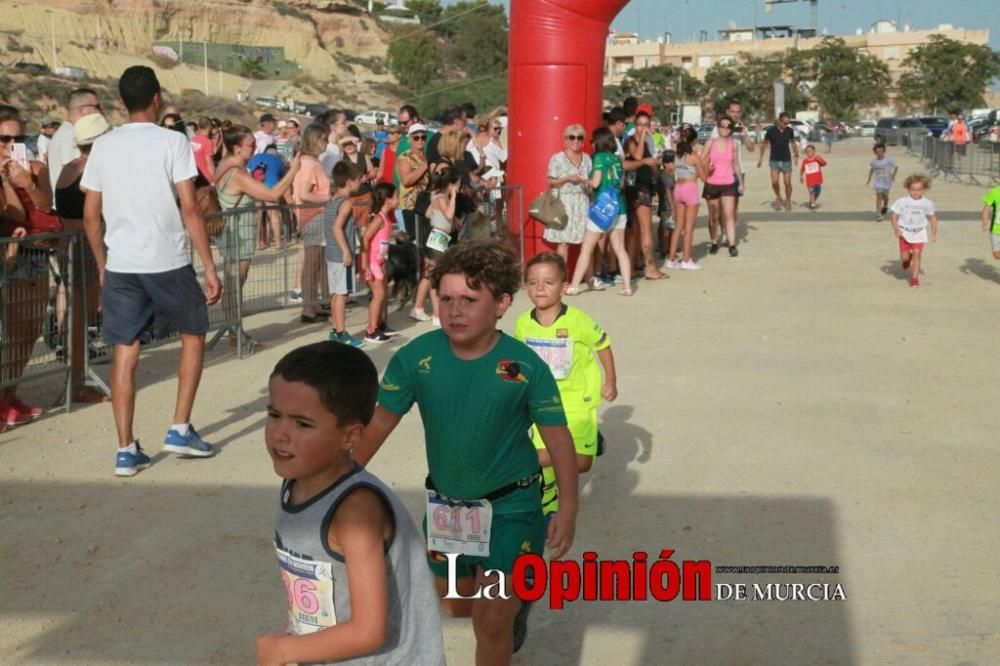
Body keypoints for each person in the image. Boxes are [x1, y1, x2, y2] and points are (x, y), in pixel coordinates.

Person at [354, 240, 579, 662]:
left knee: (490, 622)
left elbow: (559, 440)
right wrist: (340, 481)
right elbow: (380, 421)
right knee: (455, 604)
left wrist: (568, 507)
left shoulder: (526, 367)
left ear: (502, 303)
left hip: (512, 510)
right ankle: (512, 602)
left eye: (470, 300)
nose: (455, 311)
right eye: (447, 299)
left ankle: (506, 610)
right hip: (448, 510)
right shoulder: (416, 358)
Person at [255, 341, 445, 666]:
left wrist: (285, 650)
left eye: (302, 423)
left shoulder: (355, 513)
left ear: (350, 437)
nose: (280, 434)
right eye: (275, 415)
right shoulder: (297, 479)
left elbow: (368, 631)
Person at [80, 66, 222, 476]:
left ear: (121, 101)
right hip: (168, 259)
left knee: (125, 352)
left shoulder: (103, 146)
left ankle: (125, 450)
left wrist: (103, 265)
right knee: (193, 334)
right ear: (156, 98)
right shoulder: (171, 141)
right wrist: (209, 266)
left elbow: (91, 216)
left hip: (122, 263)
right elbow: (190, 206)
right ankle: (179, 427)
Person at [516, 252, 618, 518]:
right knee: (540, 457)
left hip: (577, 402)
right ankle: (549, 501)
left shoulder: (577, 321)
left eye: (548, 282)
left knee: (581, 464)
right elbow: (520, 359)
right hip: (541, 403)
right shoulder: (523, 323)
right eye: (533, 282)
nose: (540, 288)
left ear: (563, 288)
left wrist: (611, 380)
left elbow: (603, 344)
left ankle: (590, 441)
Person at [215, 125, 300, 352]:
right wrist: (293, 170)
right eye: (250, 145)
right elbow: (272, 195)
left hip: (233, 233)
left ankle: (235, 332)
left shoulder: (224, 164)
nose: (254, 149)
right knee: (235, 285)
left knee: (234, 286)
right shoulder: (238, 174)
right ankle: (236, 334)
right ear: (236, 148)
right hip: (238, 236)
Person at [0, 105, 54, 428]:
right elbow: (15, 214)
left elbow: (46, 204)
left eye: (19, 137)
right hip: (10, 255)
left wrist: (28, 182)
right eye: (4, 138)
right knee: (9, 334)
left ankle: (10, 396)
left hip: (34, 253)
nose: (11, 144)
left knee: (30, 331)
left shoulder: (33, 166)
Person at [54, 112, 111, 403]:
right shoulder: (92, 171)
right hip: (85, 248)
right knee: (80, 318)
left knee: (78, 316)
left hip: (69, 246)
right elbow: (93, 217)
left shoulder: (68, 167)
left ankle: (75, 376)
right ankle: (76, 382)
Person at [567, 127, 633, 296]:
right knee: (620, 248)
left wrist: (583, 179)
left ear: (598, 141)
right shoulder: (617, 160)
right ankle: (627, 286)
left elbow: (596, 183)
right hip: (619, 207)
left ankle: (574, 285)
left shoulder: (599, 158)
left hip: (602, 208)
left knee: (586, 248)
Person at [292, 124, 332, 321]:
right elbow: (304, 193)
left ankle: (313, 305)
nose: (327, 143)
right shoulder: (309, 164)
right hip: (313, 216)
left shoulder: (310, 162)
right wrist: (328, 198)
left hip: (315, 216)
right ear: (316, 140)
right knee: (311, 263)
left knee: (316, 263)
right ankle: (308, 308)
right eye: (324, 139)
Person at [324, 161, 365, 347]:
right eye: (358, 180)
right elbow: (337, 228)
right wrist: (347, 252)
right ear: (349, 182)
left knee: (336, 294)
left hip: (331, 254)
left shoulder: (333, 200)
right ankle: (341, 333)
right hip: (340, 255)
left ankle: (336, 329)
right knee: (342, 294)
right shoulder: (346, 203)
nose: (360, 183)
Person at [544, 124, 592, 278]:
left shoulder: (587, 159)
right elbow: (550, 181)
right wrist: (566, 179)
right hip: (564, 203)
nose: (576, 141)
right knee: (563, 242)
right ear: (565, 140)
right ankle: (562, 279)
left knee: (587, 242)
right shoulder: (557, 158)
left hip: (582, 203)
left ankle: (589, 277)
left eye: (579, 137)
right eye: (572, 137)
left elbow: (591, 181)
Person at [624, 111, 667, 279]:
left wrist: (654, 169)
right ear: (635, 126)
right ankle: (650, 267)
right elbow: (638, 156)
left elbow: (648, 163)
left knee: (636, 230)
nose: (643, 128)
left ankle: (634, 266)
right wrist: (642, 137)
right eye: (639, 124)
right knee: (645, 228)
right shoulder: (631, 141)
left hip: (644, 185)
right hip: (637, 188)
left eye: (645, 125)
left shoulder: (649, 142)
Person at [708, 99, 755, 253]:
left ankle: (729, 234)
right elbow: (711, 147)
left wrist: (745, 134)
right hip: (720, 172)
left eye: (737, 112)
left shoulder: (741, 128)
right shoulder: (720, 127)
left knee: (733, 207)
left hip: (737, 170)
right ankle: (722, 232)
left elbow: (751, 148)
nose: (735, 114)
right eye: (732, 111)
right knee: (720, 207)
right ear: (728, 112)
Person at [397, 124, 433, 322]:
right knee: (417, 251)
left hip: (425, 208)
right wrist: (424, 168)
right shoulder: (405, 158)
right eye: (416, 137)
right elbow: (406, 180)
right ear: (410, 139)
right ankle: (413, 297)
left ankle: (419, 296)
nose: (420, 141)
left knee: (425, 252)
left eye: (423, 137)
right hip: (411, 208)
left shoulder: (425, 156)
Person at [361, 183, 401, 344]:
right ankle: (371, 330)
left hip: (380, 262)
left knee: (383, 294)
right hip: (372, 263)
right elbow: (366, 238)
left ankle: (379, 324)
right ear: (388, 199)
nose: (398, 200)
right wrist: (364, 263)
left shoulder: (385, 217)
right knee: (378, 296)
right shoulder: (379, 218)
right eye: (396, 197)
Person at [47, 88, 101, 201]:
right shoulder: (71, 136)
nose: (100, 112)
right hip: (72, 209)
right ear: (82, 110)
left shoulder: (65, 132)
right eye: (97, 107)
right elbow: (75, 176)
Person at [665, 127, 708, 270]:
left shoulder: (676, 156)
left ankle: (671, 259)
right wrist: (709, 168)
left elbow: (671, 170)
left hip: (679, 188)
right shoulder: (694, 157)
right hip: (690, 189)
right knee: (689, 228)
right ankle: (686, 259)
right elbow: (704, 178)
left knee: (678, 227)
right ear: (694, 141)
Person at [702, 115, 744, 258]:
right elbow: (701, 161)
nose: (725, 128)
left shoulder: (734, 144)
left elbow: (736, 164)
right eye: (722, 125)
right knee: (714, 216)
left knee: (729, 215)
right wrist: (707, 166)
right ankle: (714, 242)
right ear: (718, 127)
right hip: (712, 183)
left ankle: (732, 245)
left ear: (731, 129)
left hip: (728, 183)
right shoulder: (710, 143)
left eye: (728, 126)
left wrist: (741, 182)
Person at [889, 174, 937, 288]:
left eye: (919, 190)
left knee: (917, 254)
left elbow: (933, 217)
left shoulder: (927, 203)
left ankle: (914, 279)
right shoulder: (902, 201)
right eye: (913, 189)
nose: (916, 192)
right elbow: (894, 217)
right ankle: (907, 259)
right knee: (904, 258)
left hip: (919, 232)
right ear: (908, 189)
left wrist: (933, 232)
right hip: (904, 232)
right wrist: (896, 229)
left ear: (924, 189)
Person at [247, 144, 289, 250]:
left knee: (258, 215)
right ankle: (278, 243)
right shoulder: (279, 161)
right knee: (274, 214)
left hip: (256, 187)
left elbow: (248, 171)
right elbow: (283, 179)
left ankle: (257, 244)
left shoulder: (256, 157)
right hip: (271, 188)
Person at [757, 112, 798, 212]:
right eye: (784, 123)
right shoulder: (770, 131)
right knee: (774, 182)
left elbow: (793, 143)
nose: (786, 125)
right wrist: (761, 158)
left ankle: (788, 201)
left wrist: (796, 155)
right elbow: (764, 144)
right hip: (774, 160)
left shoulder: (790, 131)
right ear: (779, 121)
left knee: (787, 183)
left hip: (786, 160)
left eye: (787, 123)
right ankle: (779, 197)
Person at [866, 143, 897, 222]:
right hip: (878, 181)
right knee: (879, 196)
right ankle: (878, 214)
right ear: (875, 153)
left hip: (887, 181)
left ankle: (885, 205)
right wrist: (869, 179)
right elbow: (872, 169)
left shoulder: (889, 160)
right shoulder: (874, 162)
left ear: (884, 151)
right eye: (877, 152)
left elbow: (896, 167)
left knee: (885, 196)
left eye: (881, 152)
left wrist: (893, 176)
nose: (879, 154)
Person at [799, 144, 827, 210]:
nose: (809, 152)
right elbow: (802, 170)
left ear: (814, 151)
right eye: (807, 151)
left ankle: (812, 201)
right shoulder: (805, 161)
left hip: (818, 180)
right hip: (810, 181)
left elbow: (824, 164)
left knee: (818, 192)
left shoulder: (817, 158)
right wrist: (801, 177)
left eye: (810, 151)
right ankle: (813, 205)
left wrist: (820, 160)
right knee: (811, 192)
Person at [190, 116, 216, 184]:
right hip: (206, 178)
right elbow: (209, 163)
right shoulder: (208, 142)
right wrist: (215, 178)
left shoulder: (193, 139)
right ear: (209, 126)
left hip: (194, 175)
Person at [982, 183, 1000, 260]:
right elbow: (986, 209)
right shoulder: (994, 192)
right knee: (996, 254)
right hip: (995, 228)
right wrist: (985, 223)